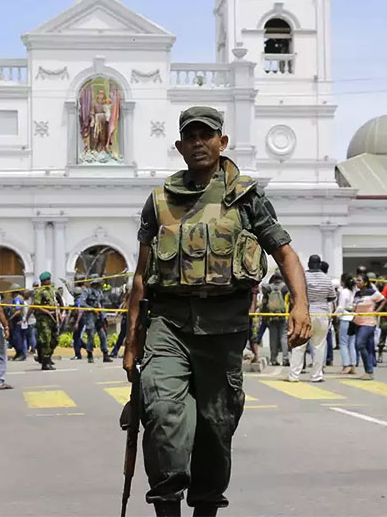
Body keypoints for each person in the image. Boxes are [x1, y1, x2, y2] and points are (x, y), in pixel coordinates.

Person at [124, 106, 311, 517]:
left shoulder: (246, 197)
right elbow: (140, 277)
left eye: (205, 135)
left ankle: (206, 508)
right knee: (161, 413)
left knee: (215, 427)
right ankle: (167, 506)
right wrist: (131, 341)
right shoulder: (159, 202)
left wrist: (300, 304)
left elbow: (285, 253)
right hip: (168, 325)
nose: (197, 142)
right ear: (179, 146)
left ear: (221, 142)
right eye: (190, 136)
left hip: (224, 330)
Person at [288, 255, 335, 383]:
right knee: (319, 346)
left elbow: (295, 294)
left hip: (306, 313)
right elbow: (331, 297)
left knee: (299, 345)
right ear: (319, 265)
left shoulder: (303, 278)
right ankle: (316, 375)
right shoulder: (326, 279)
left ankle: (294, 375)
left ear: (308, 264)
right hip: (322, 314)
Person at [353, 278, 385, 379]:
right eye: (356, 281)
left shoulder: (372, 293)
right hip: (357, 322)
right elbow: (355, 306)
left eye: (359, 281)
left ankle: (369, 370)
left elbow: (383, 300)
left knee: (360, 344)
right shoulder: (357, 294)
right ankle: (369, 371)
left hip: (368, 322)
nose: (357, 283)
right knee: (366, 346)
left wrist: (377, 310)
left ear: (366, 283)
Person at [31, 272, 60, 370]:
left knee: (55, 339)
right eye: (45, 280)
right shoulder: (39, 292)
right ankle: (45, 362)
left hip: (53, 318)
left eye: (48, 280)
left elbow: (59, 303)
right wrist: (46, 311)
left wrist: (59, 313)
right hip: (43, 319)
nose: (47, 281)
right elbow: (36, 305)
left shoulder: (53, 291)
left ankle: (44, 356)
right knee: (46, 339)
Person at [79, 277, 112, 363]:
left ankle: (105, 354)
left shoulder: (99, 292)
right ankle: (89, 354)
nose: (98, 285)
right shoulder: (87, 292)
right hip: (90, 316)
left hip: (99, 317)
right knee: (91, 335)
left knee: (103, 335)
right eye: (97, 283)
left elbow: (101, 305)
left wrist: (104, 316)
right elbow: (82, 303)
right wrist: (92, 309)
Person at [261, 272, 291, 366]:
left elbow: (264, 302)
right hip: (283, 315)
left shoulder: (268, 288)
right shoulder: (285, 288)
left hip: (271, 316)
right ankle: (285, 359)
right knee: (284, 337)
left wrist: (264, 316)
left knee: (273, 338)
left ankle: (273, 359)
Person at [335, 273, 358, 374]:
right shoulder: (353, 291)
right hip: (353, 318)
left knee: (343, 343)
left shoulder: (344, 292)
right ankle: (353, 365)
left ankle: (346, 365)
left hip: (345, 318)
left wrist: (335, 315)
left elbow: (341, 306)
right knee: (351, 343)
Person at [10, 287, 28, 360]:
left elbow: (18, 311)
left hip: (17, 321)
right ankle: (18, 353)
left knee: (18, 338)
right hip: (18, 321)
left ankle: (21, 354)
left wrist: (10, 318)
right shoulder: (19, 298)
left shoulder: (17, 299)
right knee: (18, 338)